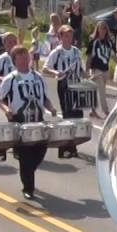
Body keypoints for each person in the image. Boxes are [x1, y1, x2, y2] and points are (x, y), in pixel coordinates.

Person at [0, 45, 58, 201]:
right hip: (20, 122)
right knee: (26, 157)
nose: (26, 60)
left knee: (40, 152)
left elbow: (44, 98)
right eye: (21, 58)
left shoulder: (38, 77)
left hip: (38, 120)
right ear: (15, 61)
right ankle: (28, 188)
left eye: (27, 57)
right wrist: (6, 110)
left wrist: (51, 108)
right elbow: (1, 99)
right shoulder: (10, 78)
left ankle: (28, 171)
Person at [43, 24, 85, 158]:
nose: (69, 38)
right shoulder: (57, 52)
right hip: (64, 86)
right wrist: (56, 72)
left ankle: (72, 146)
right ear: (60, 37)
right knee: (68, 116)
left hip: (77, 86)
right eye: (66, 35)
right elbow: (45, 68)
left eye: (70, 35)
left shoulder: (76, 52)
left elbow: (81, 70)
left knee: (78, 116)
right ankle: (65, 148)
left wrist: (88, 77)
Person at [88, 20, 114, 119]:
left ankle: (92, 110)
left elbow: (112, 54)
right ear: (97, 29)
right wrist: (87, 70)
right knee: (102, 91)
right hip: (96, 69)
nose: (102, 30)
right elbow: (90, 57)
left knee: (96, 91)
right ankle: (106, 112)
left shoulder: (108, 42)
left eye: (104, 28)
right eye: (101, 28)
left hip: (105, 69)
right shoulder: (93, 42)